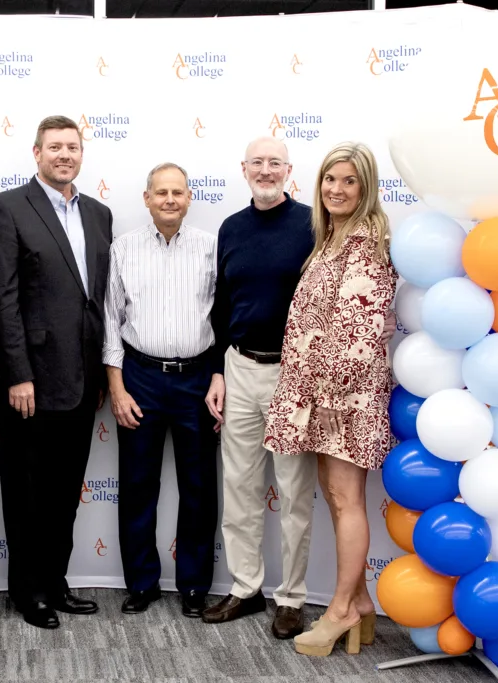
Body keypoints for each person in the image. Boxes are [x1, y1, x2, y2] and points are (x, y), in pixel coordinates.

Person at [0, 115, 113, 629]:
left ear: (82, 153)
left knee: (63, 491)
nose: (64, 155)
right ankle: (27, 591)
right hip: (29, 381)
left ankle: (55, 582)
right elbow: (1, 299)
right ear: (36, 153)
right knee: (27, 492)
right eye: (54, 147)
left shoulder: (99, 214)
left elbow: (96, 301)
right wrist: (16, 374)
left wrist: (103, 371)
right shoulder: (7, 208)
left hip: (82, 380)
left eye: (72, 147)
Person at [263, 141, 397, 657]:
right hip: (318, 397)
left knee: (346, 500)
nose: (337, 190)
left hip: (345, 400)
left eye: (349, 181)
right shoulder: (331, 238)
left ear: (366, 188)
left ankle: (340, 610)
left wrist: (322, 397)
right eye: (330, 180)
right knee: (338, 500)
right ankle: (358, 601)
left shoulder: (364, 243)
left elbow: (357, 335)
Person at [201, 136, 318, 638]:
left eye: (275, 163)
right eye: (257, 163)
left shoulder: (314, 223)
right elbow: (221, 307)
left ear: (289, 170)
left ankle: (291, 599)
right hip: (239, 368)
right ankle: (245, 588)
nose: (266, 170)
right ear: (243, 168)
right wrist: (218, 372)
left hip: (294, 372)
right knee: (240, 488)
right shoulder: (230, 228)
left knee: (294, 492)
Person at [104, 163, 218, 619]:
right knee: (136, 486)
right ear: (146, 198)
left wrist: (217, 376)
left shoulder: (211, 248)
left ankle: (193, 585)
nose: (170, 199)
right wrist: (116, 385)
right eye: (161, 192)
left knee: (198, 489)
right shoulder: (123, 248)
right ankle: (142, 583)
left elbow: (225, 317)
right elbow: (111, 320)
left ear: (190, 197)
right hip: (140, 377)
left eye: (178, 192)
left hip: (197, 379)